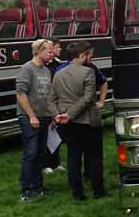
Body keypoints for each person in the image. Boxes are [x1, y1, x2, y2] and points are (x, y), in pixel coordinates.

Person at [50, 41, 106, 201]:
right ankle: (98, 190)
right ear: (82, 56)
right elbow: (88, 98)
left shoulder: (58, 73)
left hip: (68, 124)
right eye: (90, 55)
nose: (91, 58)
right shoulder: (88, 72)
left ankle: (77, 193)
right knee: (94, 157)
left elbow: (50, 98)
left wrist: (58, 115)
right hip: (87, 122)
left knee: (73, 157)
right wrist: (71, 114)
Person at [15, 38, 56, 202]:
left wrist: (52, 115)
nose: (52, 54)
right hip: (29, 118)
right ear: (38, 51)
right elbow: (21, 94)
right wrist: (31, 115)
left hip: (44, 117)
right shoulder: (27, 69)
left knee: (41, 153)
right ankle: (26, 189)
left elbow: (48, 96)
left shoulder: (46, 71)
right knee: (30, 153)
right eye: (49, 51)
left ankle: (38, 186)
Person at [41, 38, 67, 175]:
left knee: (57, 134)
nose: (59, 50)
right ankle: (45, 164)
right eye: (57, 47)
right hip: (48, 104)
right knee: (47, 135)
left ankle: (55, 162)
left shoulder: (59, 64)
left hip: (57, 103)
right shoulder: (45, 67)